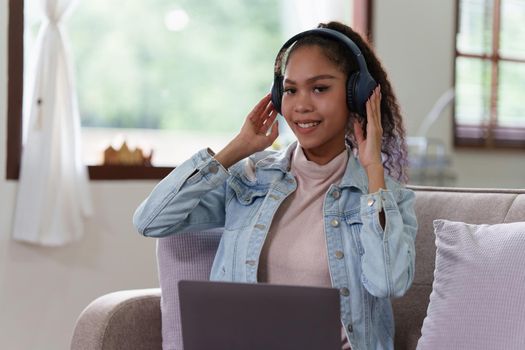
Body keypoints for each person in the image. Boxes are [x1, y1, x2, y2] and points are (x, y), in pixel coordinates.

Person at [133, 21, 417, 350]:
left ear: (355, 95)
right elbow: (150, 220)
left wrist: (373, 171)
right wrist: (236, 148)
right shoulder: (250, 181)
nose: (301, 105)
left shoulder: (387, 198)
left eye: (320, 88)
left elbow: (389, 282)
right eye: (291, 90)